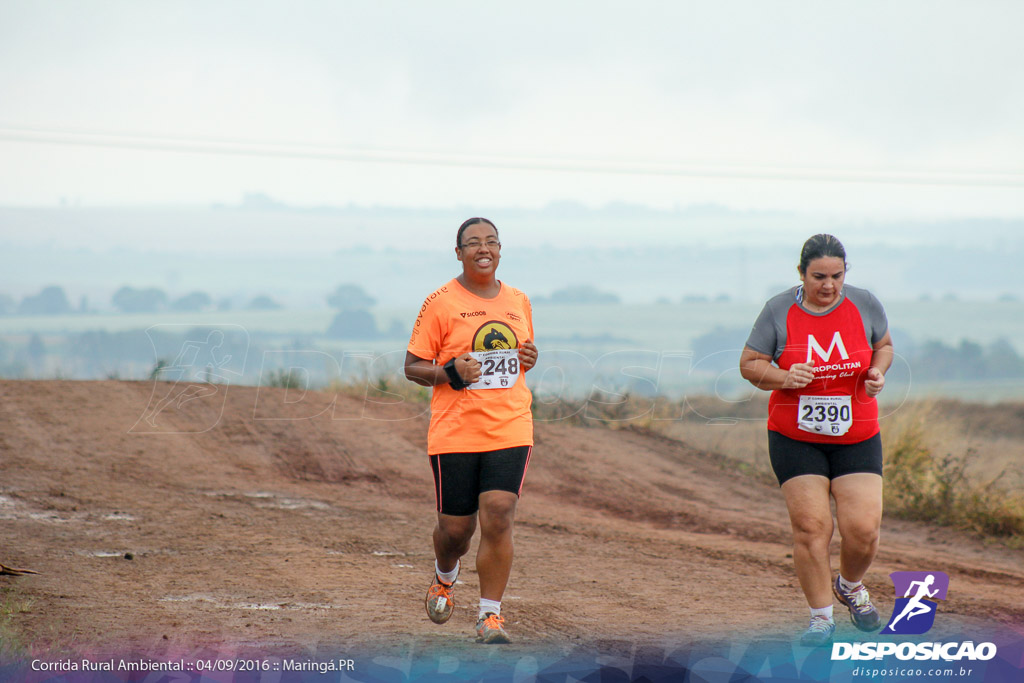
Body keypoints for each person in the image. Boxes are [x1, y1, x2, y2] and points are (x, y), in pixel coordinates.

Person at [739, 234, 893, 647]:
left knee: (863, 530)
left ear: (846, 273)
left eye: (837, 276)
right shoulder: (778, 310)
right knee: (812, 527)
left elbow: (885, 347)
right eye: (818, 276)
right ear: (801, 274)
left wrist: (878, 372)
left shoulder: (864, 304)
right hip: (794, 435)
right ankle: (820, 619)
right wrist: (785, 377)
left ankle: (850, 585)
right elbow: (749, 365)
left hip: (857, 433)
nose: (828, 286)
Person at [404, 217, 539, 644]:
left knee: (498, 512)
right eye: (474, 243)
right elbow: (412, 367)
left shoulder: (518, 300)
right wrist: (449, 371)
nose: (484, 248)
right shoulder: (440, 302)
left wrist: (528, 356)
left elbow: (518, 356)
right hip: (456, 431)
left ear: (500, 250)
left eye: (492, 241)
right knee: (455, 531)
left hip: (510, 425)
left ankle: (490, 615)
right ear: (458, 251)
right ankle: (445, 575)